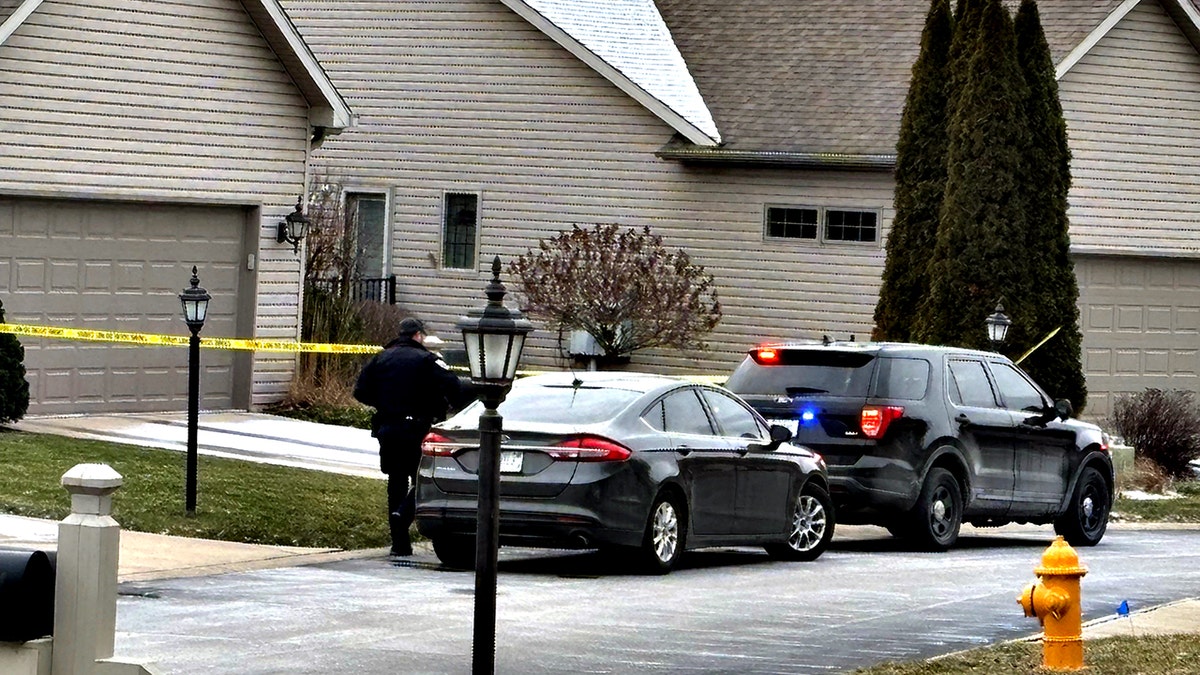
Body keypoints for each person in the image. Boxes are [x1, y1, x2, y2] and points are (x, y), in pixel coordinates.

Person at [353, 316, 466, 556]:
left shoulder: (380, 359)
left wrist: (384, 404)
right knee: (422, 479)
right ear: (418, 335)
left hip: (388, 428)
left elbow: (360, 391)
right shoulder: (427, 360)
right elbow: (454, 386)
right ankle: (404, 513)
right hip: (418, 429)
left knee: (395, 481)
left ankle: (399, 543)